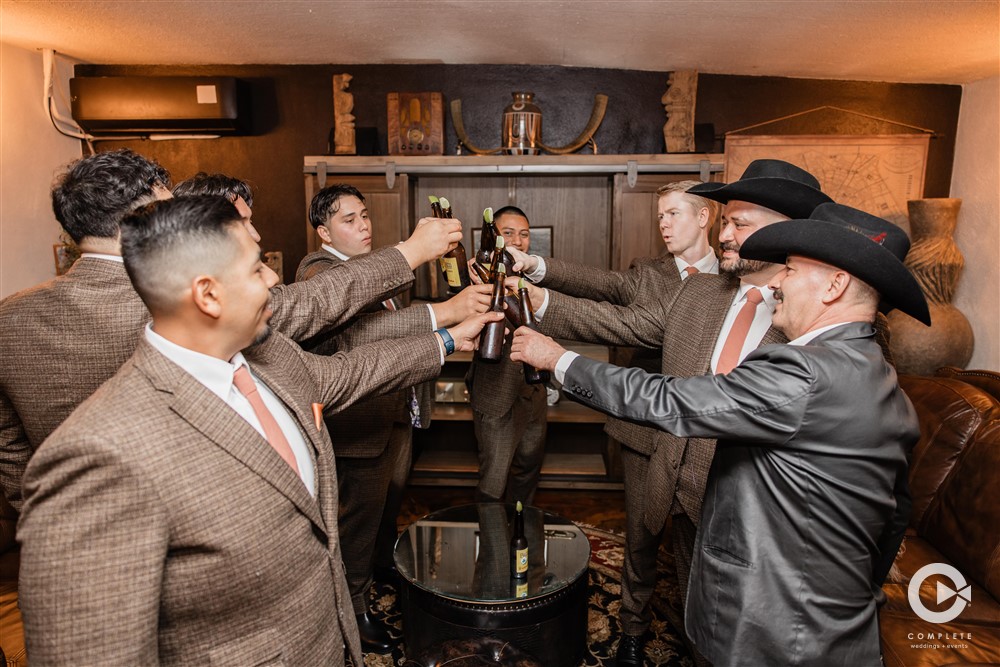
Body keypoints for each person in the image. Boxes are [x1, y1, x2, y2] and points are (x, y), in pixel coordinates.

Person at [16, 195, 501, 666]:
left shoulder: (266, 353)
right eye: (255, 268)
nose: (273, 277)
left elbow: (344, 374)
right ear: (208, 294)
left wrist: (449, 338)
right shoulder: (98, 455)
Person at [510, 202, 929, 666]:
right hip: (832, 621)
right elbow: (894, 512)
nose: (775, 282)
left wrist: (558, 361)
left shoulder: (807, 372)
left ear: (835, 285)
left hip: (776, 629)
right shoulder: (881, 378)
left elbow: (671, 400)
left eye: (789, 269)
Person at [0, 151, 462, 509]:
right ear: (135, 224)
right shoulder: (184, 297)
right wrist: (410, 252)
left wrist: (51, 516)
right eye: (168, 212)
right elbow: (310, 303)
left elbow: (12, 452)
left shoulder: (10, 319)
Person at [296, 183, 492, 652]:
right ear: (323, 231)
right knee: (355, 523)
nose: (363, 225)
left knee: (386, 508)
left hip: (393, 415)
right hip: (357, 425)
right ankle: (354, 607)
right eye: (349, 220)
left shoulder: (369, 269)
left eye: (364, 215)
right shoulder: (318, 272)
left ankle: (378, 568)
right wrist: (444, 314)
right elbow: (365, 334)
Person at [468, 206, 548, 506]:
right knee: (493, 479)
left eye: (524, 234)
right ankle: (492, 546)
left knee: (528, 469)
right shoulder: (477, 272)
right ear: (494, 237)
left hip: (534, 392)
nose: (518, 240)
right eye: (509, 233)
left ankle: (521, 532)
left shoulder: (535, 277)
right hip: (495, 393)